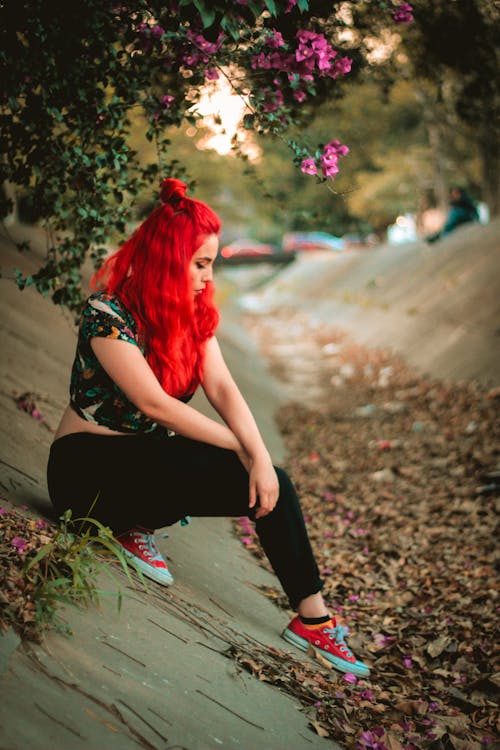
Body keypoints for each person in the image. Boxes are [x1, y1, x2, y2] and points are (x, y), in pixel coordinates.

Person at [46, 178, 370, 678]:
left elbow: (222, 389)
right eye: (200, 263)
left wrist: (259, 458)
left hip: (143, 466)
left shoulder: (191, 318)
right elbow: (156, 405)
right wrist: (244, 450)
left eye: (211, 263)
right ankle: (127, 525)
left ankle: (314, 620)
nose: (207, 276)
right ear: (167, 259)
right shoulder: (106, 315)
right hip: (82, 473)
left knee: (273, 481)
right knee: (194, 449)